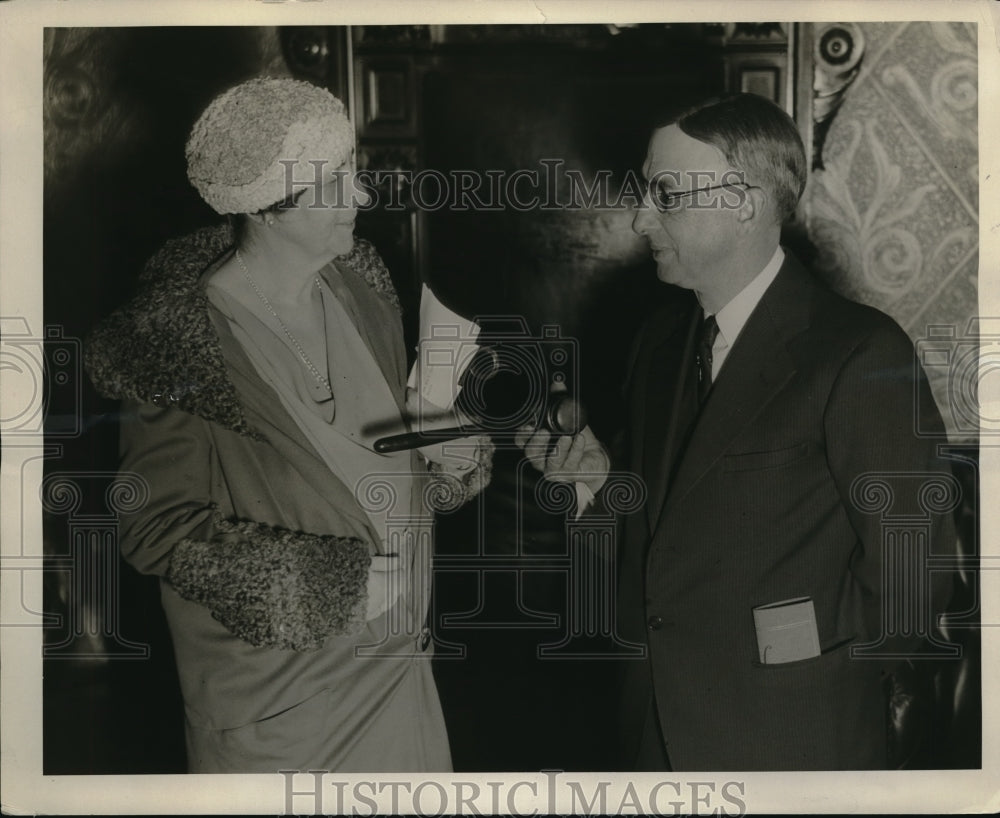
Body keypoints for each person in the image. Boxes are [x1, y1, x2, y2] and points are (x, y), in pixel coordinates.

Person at [520, 92, 956, 770]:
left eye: (665, 194)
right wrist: (593, 490)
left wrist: (776, 637)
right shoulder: (660, 343)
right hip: (653, 740)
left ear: (744, 202)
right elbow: (660, 549)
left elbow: (910, 580)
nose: (639, 219)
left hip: (789, 749)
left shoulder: (860, 353)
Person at [84, 77, 492, 773]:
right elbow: (153, 525)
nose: (360, 197)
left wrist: (450, 454)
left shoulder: (361, 285)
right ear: (268, 209)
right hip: (283, 711)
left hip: (399, 680)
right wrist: (326, 585)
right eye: (334, 184)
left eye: (354, 173)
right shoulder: (180, 341)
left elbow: (377, 465)